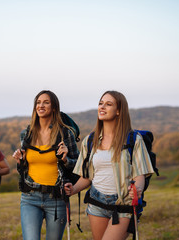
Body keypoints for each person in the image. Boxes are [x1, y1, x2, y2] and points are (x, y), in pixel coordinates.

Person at [64, 90, 154, 240]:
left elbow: (139, 174)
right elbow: (87, 177)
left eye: (108, 104)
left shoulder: (133, 140)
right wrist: (72, 189)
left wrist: (137, 189)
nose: (102, 107)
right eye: (100, 103)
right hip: (96, 203)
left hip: (123, 203)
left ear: (119, 111)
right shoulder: (90, 141)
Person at [12, 90, 79, 240]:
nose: (41, 105)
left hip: (56, 198)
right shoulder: (26, 133)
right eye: (38, 102)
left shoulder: (65, 134)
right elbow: (23, 170)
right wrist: (21, 161)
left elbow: (78, 166)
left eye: (46, 102)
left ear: (54, 107)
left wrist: (66, 160)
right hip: (30, 197)